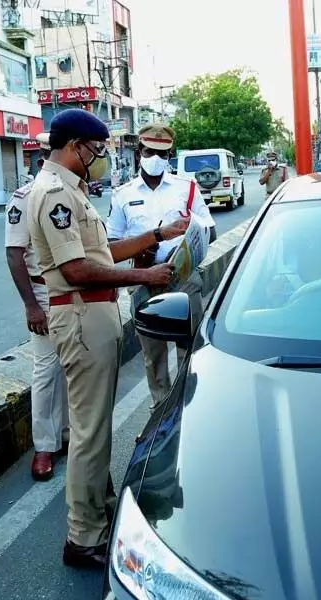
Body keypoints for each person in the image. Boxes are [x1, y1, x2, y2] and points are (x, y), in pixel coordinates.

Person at [26, 108, 174, 569]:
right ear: (75, 147)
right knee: (89, 433)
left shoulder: (73, 191)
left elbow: (100, 251)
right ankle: (82, 535)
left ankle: (98, 513)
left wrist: (156, 236)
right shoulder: (54, 193)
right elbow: (75, 269)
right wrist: (144, 273)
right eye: (98, 151)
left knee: (96, 428)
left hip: (95, 311)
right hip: (81, 312)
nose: (101, 160)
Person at [107, 124, 216, 411]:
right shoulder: (122, 194)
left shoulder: (187, 189)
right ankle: (160, 409)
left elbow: (209, 230)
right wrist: (143, 247)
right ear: (138, 152)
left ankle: (186, 406)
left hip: (183, 277)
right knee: (152, 354)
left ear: (170, 154)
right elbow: (111, 244)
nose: (155, 157)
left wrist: (193, 239)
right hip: (144, 278)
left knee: (188, 348)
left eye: (162, 153)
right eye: (149, 151)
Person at [5, 131, 69, 482]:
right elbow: (14, 254)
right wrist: (31, 306)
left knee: (74, 366)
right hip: (44, 292)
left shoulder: (74, 192)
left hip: (75, 289)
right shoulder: (25, 197)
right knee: (46, 370)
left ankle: (69, 434)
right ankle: (45, 446)